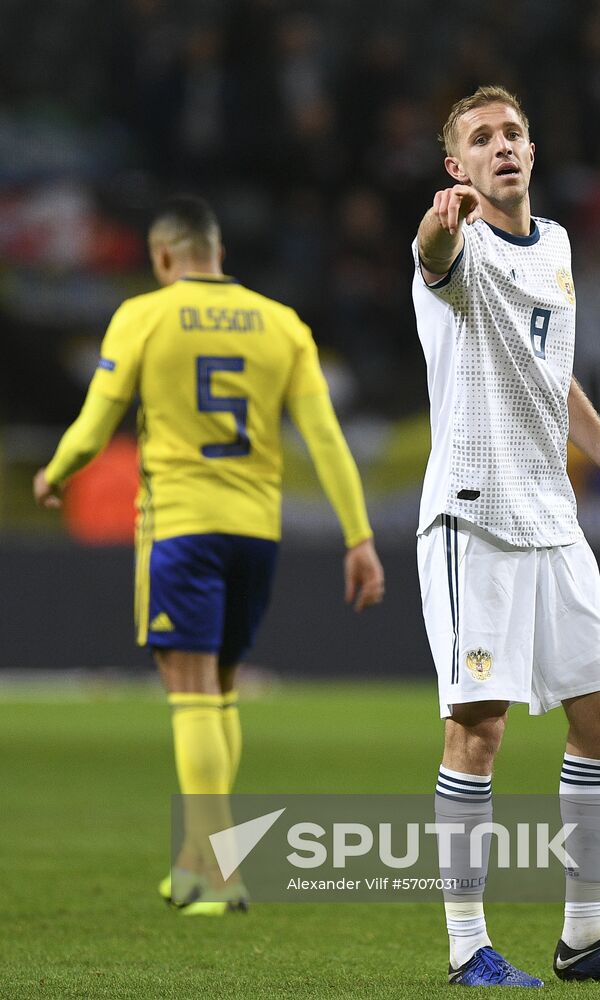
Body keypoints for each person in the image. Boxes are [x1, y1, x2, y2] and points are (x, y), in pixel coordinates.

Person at [34, 195, 385, 915]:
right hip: (256, 530)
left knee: (189, 692)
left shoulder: (143, 315)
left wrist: (56, 471)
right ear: (217, 252)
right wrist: (359, 536)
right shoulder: (281, 324)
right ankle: (199, 861)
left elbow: (96, 424)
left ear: (164, 258)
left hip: (181, 526)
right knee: (219, 690)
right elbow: (323, 439)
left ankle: (217, 875)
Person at [411, 86, 600, 985]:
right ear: (457, 166)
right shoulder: (456, 241)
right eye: (481, 139)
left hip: (548, 511)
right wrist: (436, 224)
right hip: (473, 510)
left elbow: (551, 375)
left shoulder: (559, 247)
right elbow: (432, 255)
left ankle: (585, 935)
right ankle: (467, 949)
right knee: (478, 728)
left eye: (514, 134)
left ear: (531, 151)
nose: (502, 148)